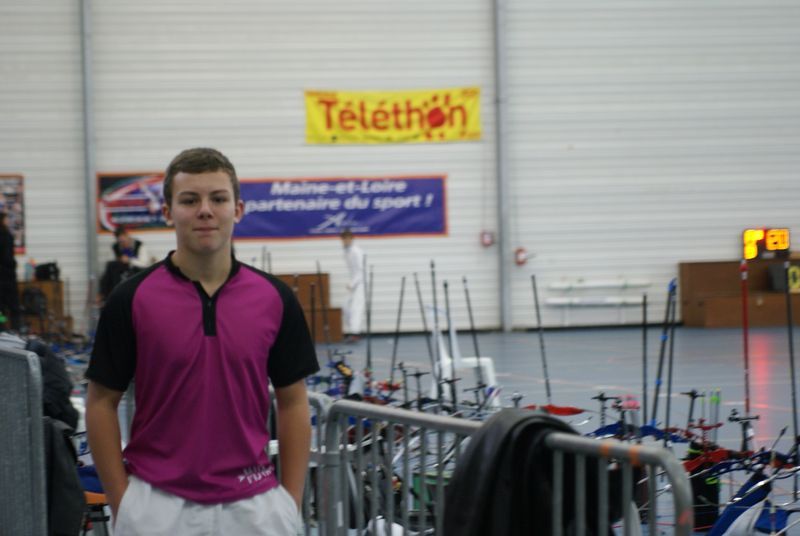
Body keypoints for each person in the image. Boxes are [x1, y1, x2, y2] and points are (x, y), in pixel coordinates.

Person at [85, 147, 319, 535]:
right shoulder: (130, 299)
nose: (205, 211)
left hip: (255, 507)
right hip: (156, 507)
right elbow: (100, 402)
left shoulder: (275, 299)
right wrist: (122, 502)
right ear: (167, 212)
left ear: (237, 209)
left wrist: (289, 503)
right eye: (190, 200)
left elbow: (293, 401)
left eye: (218, 199)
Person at [99, 227, 152, 301]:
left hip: (136, 270)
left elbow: (145, 264)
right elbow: (111, 262)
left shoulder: (139, 245)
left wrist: (130, 260)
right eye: (121, 242)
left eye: (124, 241)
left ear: (127, 236)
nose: (123, 244)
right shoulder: (115, 247)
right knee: (110, 267)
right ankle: (108, 296)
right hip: (121, 271)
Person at [340, 228, 365, 343]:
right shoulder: (346, 251)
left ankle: (355, 333)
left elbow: (361, 270)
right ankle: (352, 330)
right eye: (343, 239)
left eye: (347, 239)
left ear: (351, 239)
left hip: (360, 283)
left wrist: (352, 283)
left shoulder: (356, 251)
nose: (345, 241)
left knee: (356, 308)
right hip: (354, 283)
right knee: (345, 306)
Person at [0, 211, 21, 331]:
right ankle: (16, 330)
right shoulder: (6, 236)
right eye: (6, 219)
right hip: (7, 277)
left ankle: (2, 328)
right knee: (14, 307)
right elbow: (8, 258)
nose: (8, 221)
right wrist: (13, 264)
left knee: (1, 308)